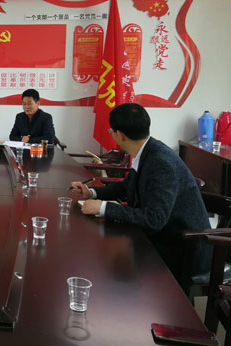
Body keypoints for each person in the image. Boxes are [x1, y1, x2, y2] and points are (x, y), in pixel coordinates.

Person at [71, 103, 212, 281]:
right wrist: (92, 193)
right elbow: (126, 186)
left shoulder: (160, 163)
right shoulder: (148, 151)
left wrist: (104, 208)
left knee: (107, 269)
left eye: (111, 131)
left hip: (182, 250)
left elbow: (155, 219)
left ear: (120, 135)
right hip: (163, 239)